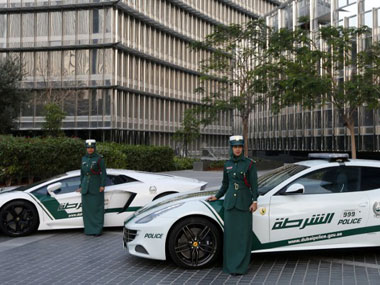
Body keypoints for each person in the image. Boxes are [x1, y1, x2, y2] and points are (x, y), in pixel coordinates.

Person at [207, 135, 258, 275]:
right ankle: (230, 266)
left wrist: (255, 201)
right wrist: (217, 196)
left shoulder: (249, 164)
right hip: (230, 205)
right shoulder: (227, 164)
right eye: (235, 147)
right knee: (230, 237)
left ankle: (240, 267)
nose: (237, 149)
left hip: (244, 204)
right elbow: (225, 184)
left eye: (240, 147)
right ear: (231, 148)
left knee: (243, 236)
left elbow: (254, 185)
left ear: (242, 148)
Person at [77, 139, 107, 236]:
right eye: (88, 148)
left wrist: (102, 185)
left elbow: (103, 173)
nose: (90, 150)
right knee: (87, 210)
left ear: (94, 148)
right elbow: (82, 173)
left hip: (96, 186)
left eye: (91, 148)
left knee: (97, 209)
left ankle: (97, 230)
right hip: (86, 188)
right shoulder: (83, 159)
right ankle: (89, 230)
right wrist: (81, 185)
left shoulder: (99, 159)